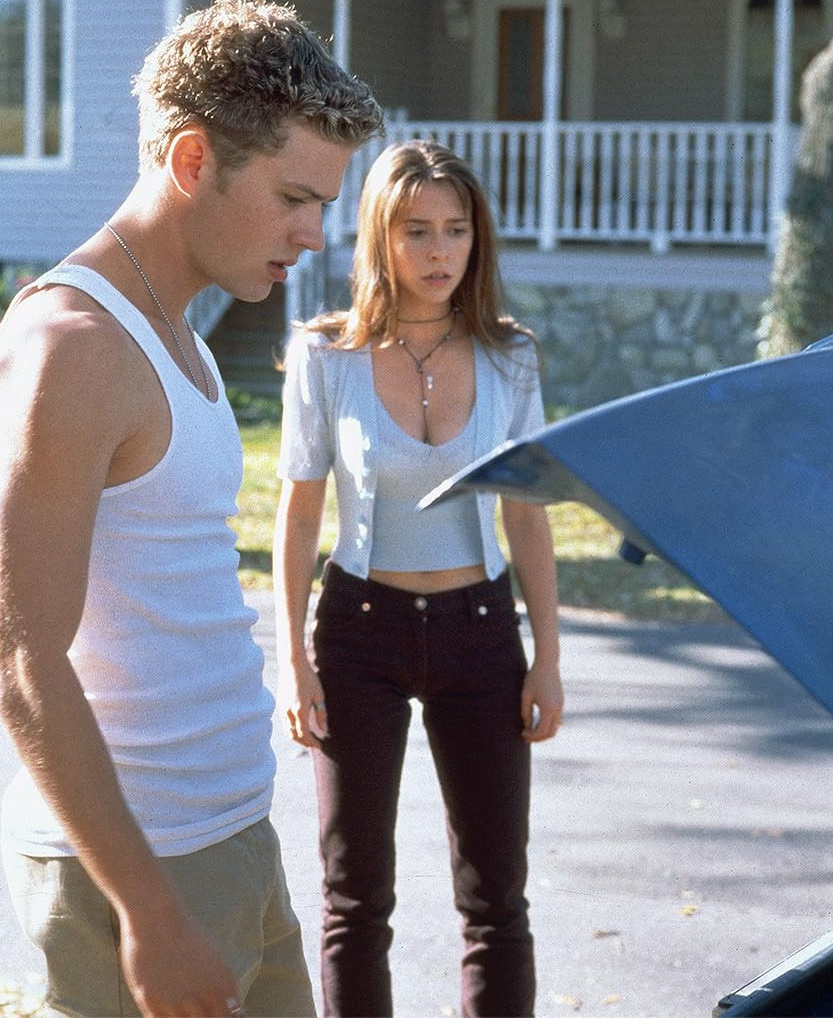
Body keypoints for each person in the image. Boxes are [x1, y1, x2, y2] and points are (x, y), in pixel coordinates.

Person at [0, 0, 383, 1018]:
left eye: (325, 204)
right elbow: (20, 666)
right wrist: (150, 915)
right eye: (295, 197)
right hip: (139, 876)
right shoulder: (74, 346)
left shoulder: (182, 337)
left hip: (229, 838)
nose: (316, 234)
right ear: (193, 159)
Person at [274, 140, 564, 1017]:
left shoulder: (511, 357)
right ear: (380, 237)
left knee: (496, 900)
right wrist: (293, 658)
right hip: (358, 634)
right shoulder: (326, 355)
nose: (440, 252)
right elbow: (298, 514)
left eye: (456, 230)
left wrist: (547, 659)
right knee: (355, 897)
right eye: (417, 231)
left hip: (481, 634)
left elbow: (527, 516)